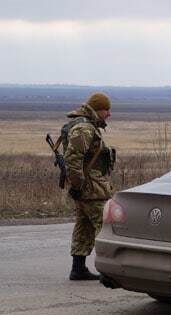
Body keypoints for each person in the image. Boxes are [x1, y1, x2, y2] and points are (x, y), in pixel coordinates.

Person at [64, 92, 115, 280]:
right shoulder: (85, 127)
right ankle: (109, 270)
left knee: (84, 225)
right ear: (98, 109)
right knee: (104, 227)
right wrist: (77, 184)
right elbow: (73, 158)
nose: (109, 114)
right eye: (106, 110)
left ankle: (78, 268)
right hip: (91, 188)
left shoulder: (87, 125)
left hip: (88, 185)